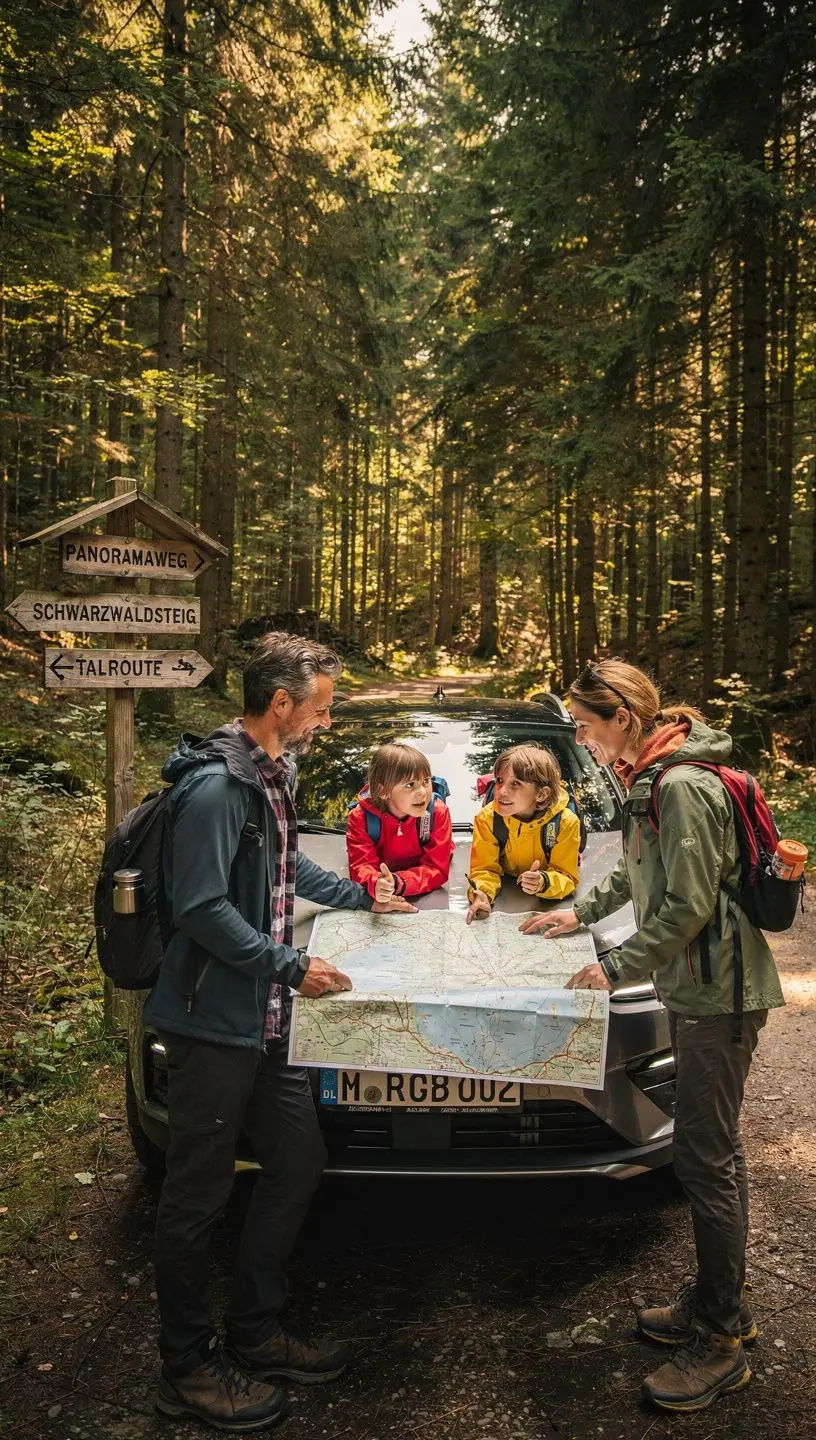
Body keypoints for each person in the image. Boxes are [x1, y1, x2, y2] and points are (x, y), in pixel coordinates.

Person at [142, 632, 416, 1433]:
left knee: (297, 1159)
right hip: (210, 1023)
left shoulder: (273, 773)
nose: (326, 723)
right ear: (283, 704)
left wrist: (368, 895)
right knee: (196, 1196)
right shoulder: (220, 789)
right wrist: (291, 968)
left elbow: (290, 874)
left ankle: (257, 1332)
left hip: (263, 1019)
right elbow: (199, 908)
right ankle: (186, 1369)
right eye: (322, 708)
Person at [520, 660, 785, 1414]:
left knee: (705, 1159)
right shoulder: (651, 779)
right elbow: (645, 875)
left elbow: (689, 907)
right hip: (698, 989)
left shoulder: (682, 787)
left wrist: (616, 964)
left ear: (625, 720)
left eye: (584, 724)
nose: (579, 738)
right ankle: (711, 1301)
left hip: (719, 997)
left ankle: (723, 1338)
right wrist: (582, 910)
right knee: (710, 1152)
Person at [466, 743, 580, 923]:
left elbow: (566, 876)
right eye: (500, 781)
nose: (502, 791)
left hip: (542, 909)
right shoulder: (488, 818)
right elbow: (484, 869)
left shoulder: (565, 823)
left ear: (541, 794)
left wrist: (544, 881)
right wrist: (482, 894)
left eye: (516, 784)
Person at [346, 741, 453, 900]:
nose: (422, 792)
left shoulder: (437, 813)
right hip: (384, 895)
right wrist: (376, 883)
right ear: (383, 791)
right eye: (410, 785)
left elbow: (437, 869)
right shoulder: (360, 818)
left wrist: (399, 883)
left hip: (419, 894)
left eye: (426, 781)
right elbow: (361, 867)